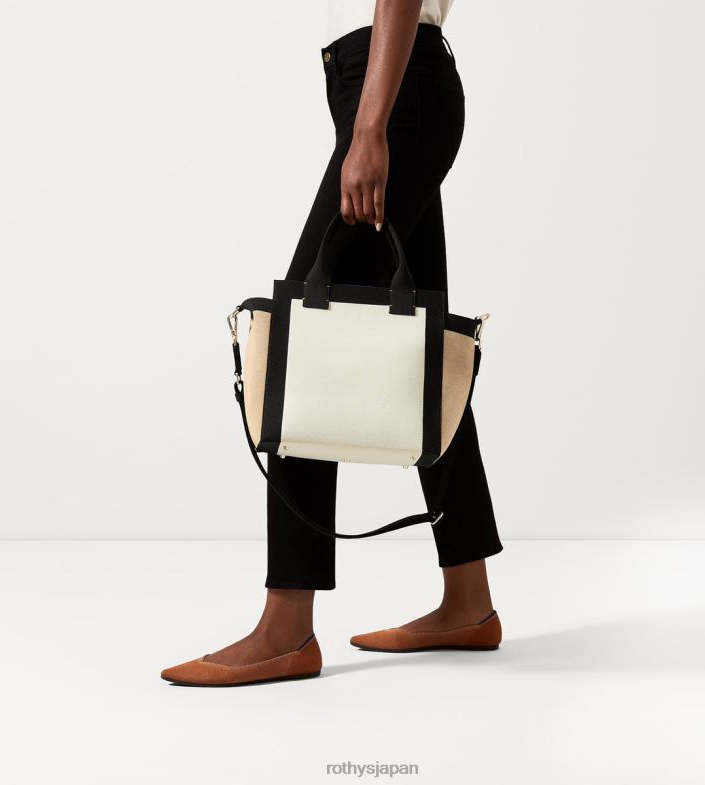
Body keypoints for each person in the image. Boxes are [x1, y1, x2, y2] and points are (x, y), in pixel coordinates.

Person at [161, 0, 503, 687]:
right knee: (422, 354)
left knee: (304, 345)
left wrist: (370, 128)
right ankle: (468, 601)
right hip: (393, 84)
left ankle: (285, 626)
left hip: (391, 89)